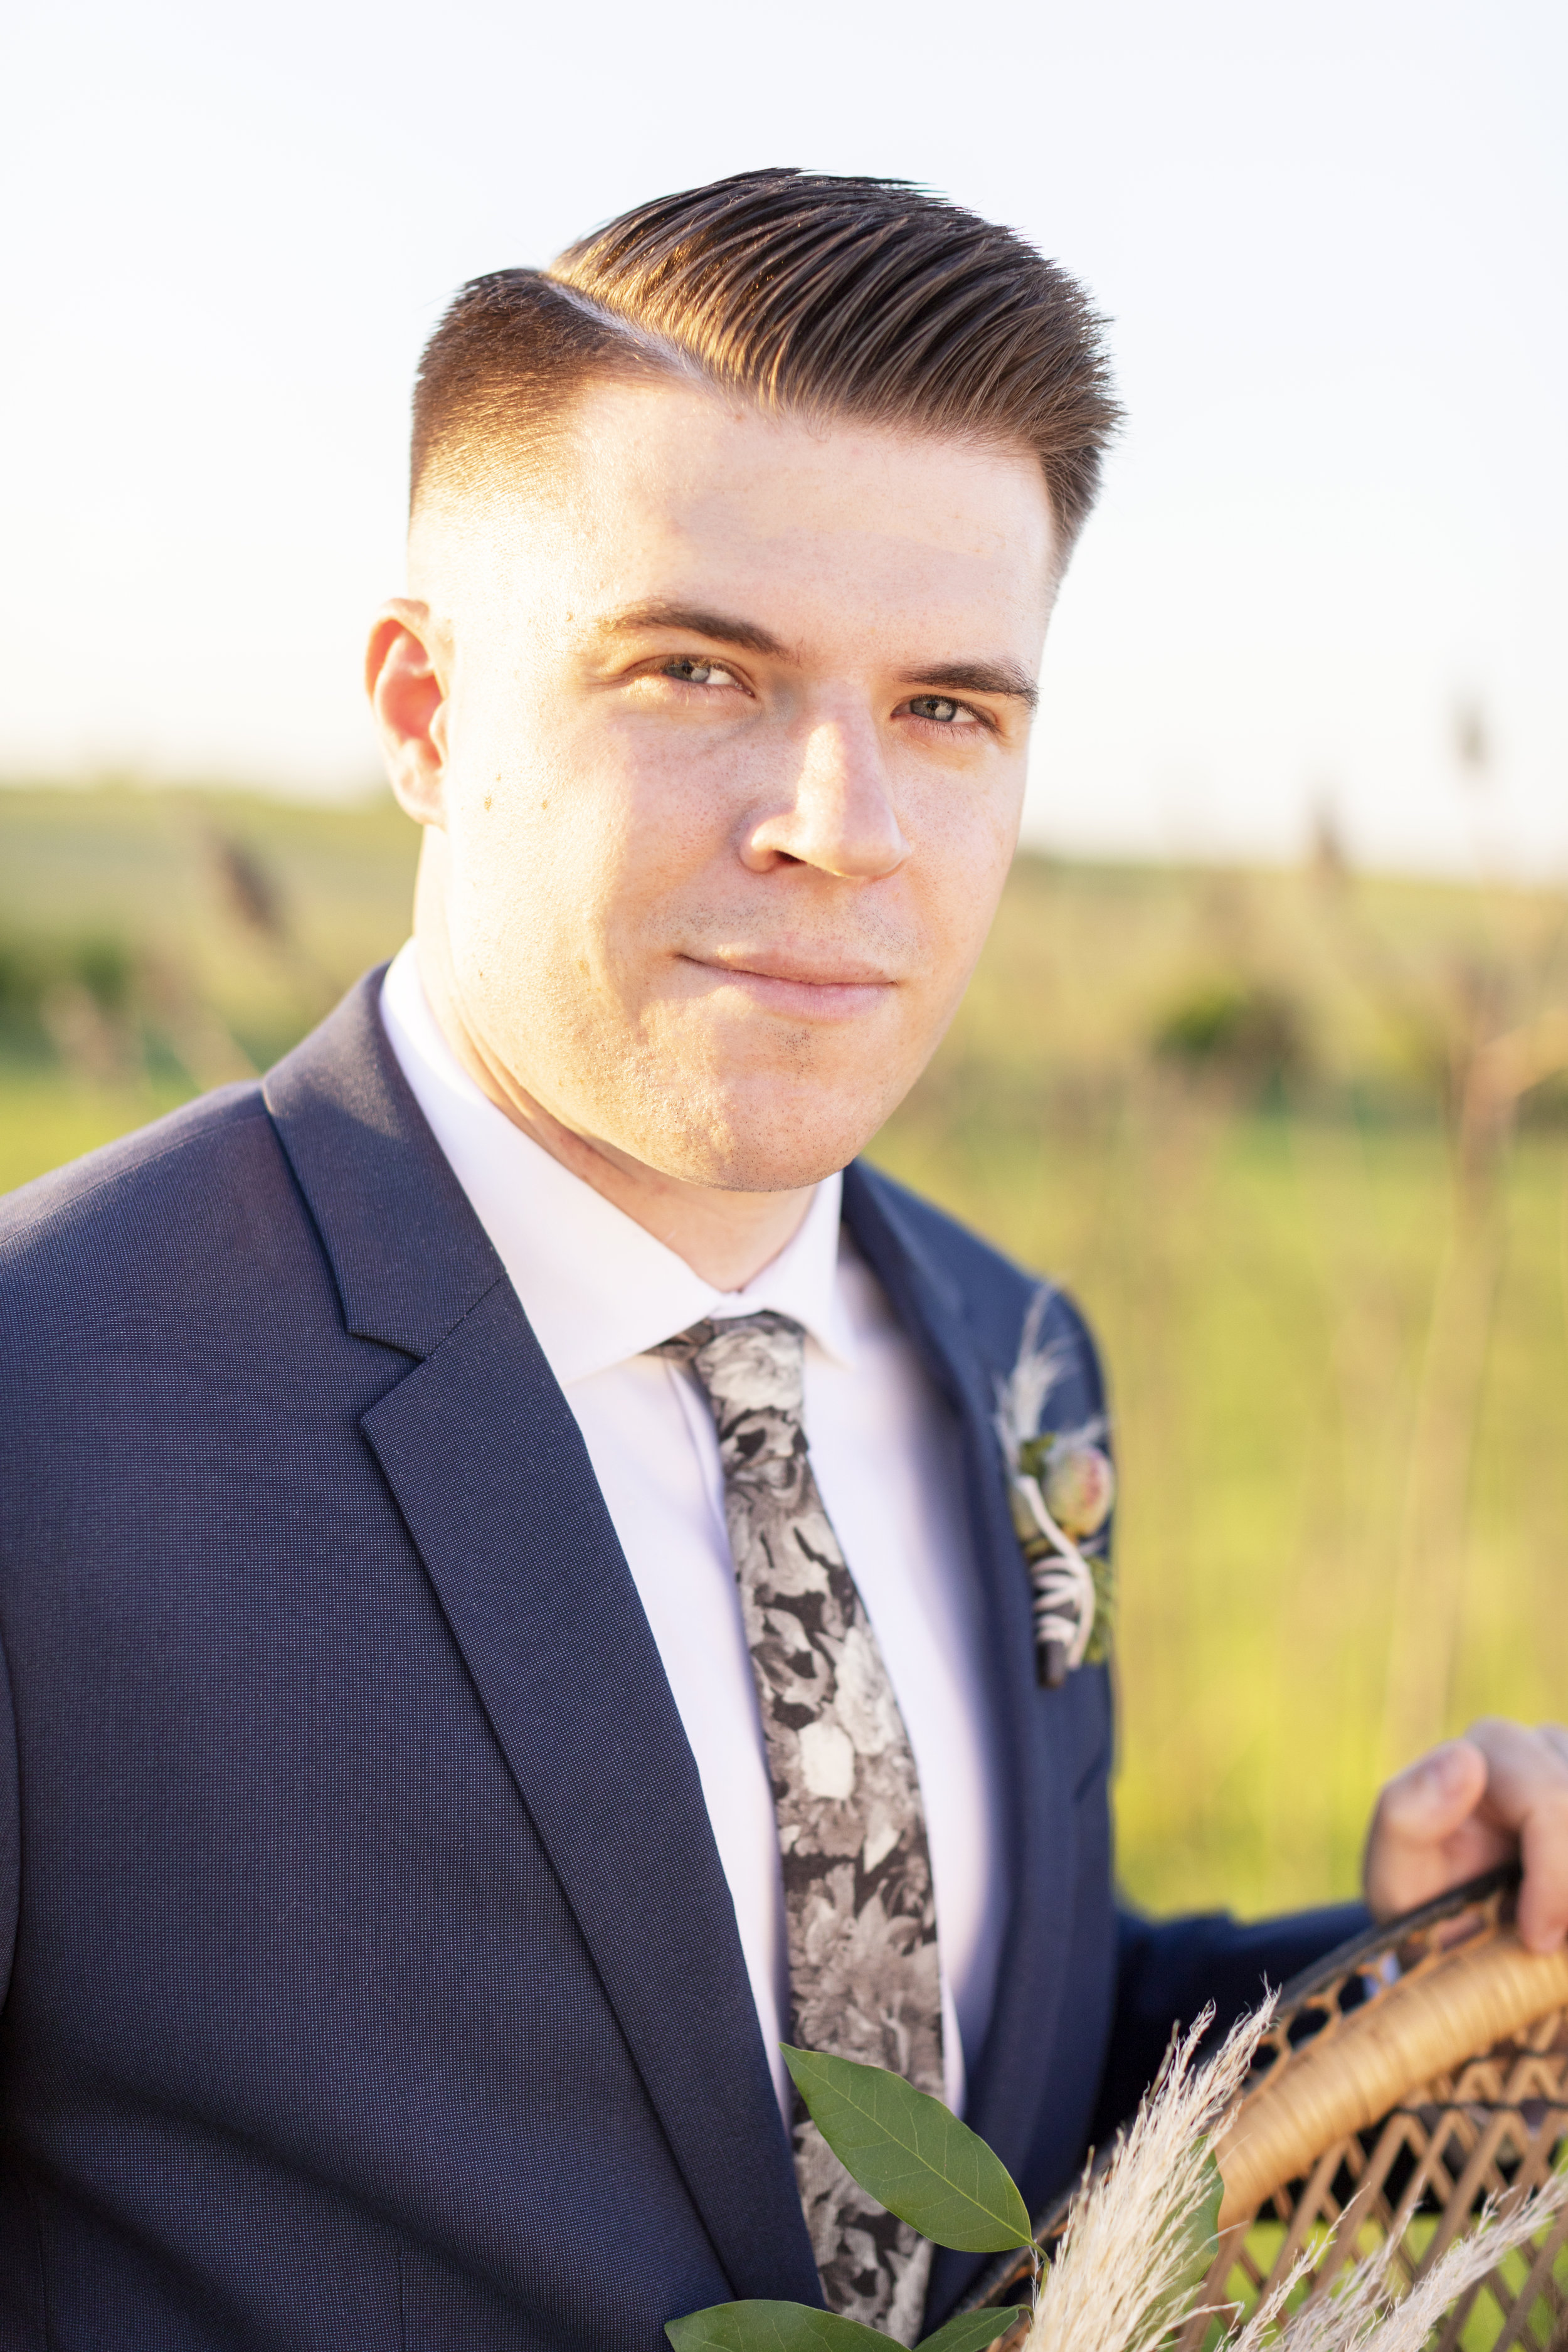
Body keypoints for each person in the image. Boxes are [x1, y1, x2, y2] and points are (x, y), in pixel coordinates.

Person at [0, 171, 1564, 2352]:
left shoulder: (1020, 1361)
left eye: (948, 710)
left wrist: (1454, 1979)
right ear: (426, 710)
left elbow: (939, 2101)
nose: (839, 821)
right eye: (697, 671)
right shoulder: (42, 1400)